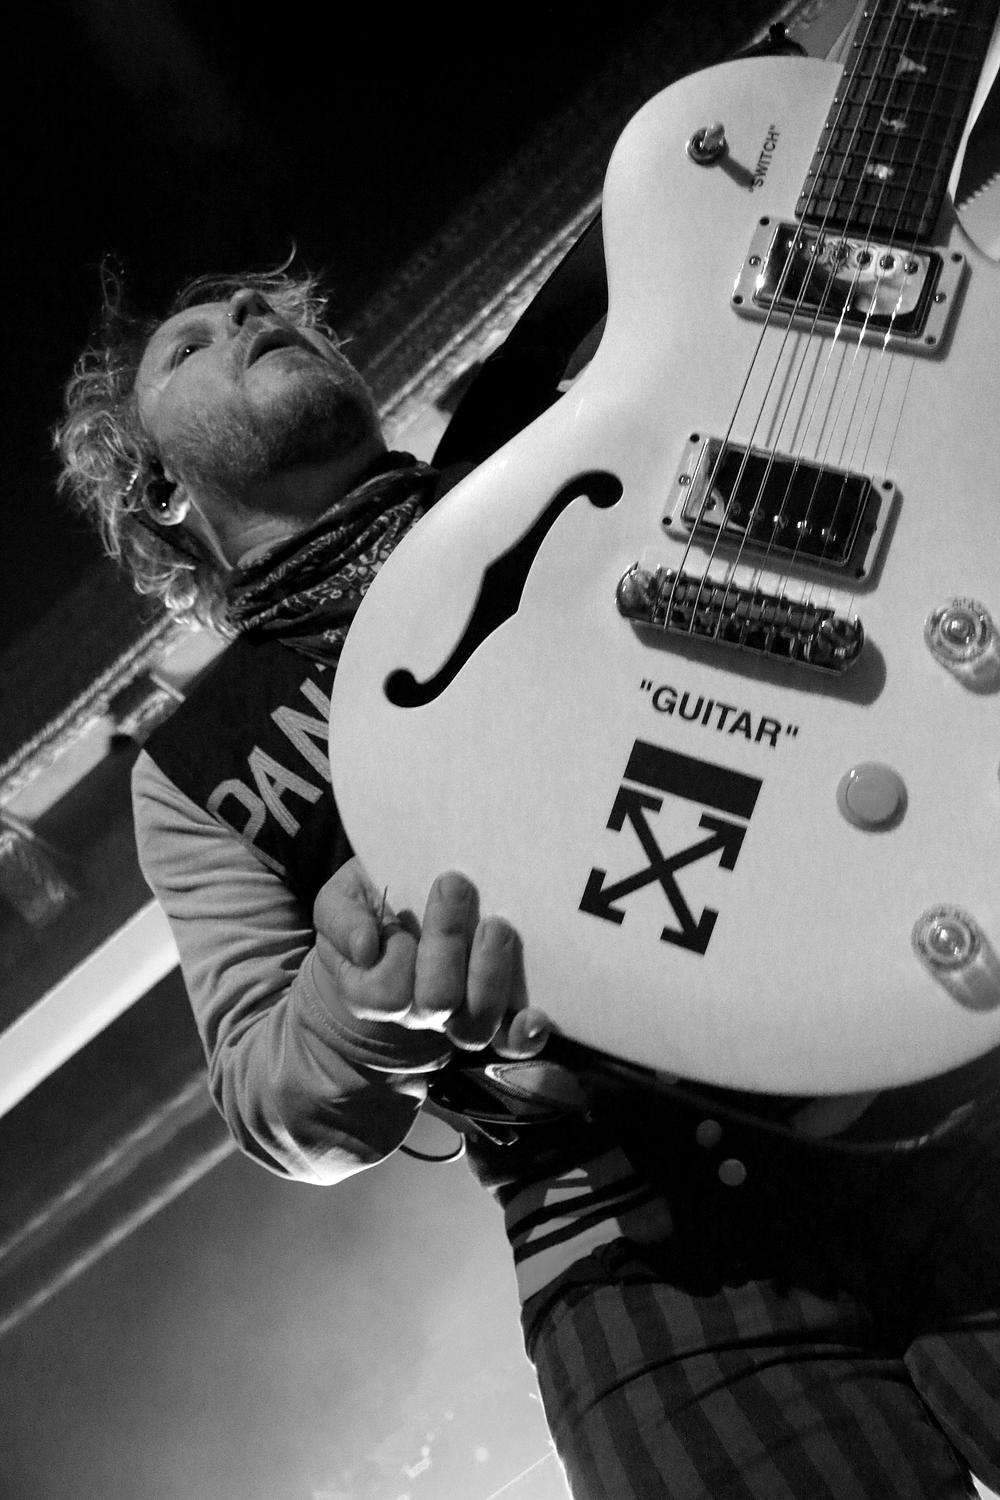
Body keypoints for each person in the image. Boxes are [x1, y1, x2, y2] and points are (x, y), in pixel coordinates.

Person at [56, 261, 1000, 1499]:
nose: (250, 317)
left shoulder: (570, 457)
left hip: (927, 1088)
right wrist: (361, 1004)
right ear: (160, 492)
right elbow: (269, 1098)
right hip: (639, 1258)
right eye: (193, 346)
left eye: (267, 311)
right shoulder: (192, 770)